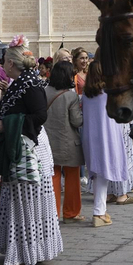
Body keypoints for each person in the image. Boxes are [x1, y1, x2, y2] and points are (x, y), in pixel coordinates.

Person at [0, 45, 62, 265]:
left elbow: (40, 115)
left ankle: (24, 253)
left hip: (29, 148)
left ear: (11, 63)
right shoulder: (21, 83)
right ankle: (25, 250)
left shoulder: (30, 84)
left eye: (4, 61)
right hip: (19, 145)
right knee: (19, 200)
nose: (2, 65)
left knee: (25, 200)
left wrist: (7, 124)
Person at [81, 65, 133, 227]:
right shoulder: (108, 93)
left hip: (91, 135)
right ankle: (99, 212)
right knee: (103, 171)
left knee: (98, 172)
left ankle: (101, 210)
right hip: (108, 135)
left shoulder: (86, 93)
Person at [44, 59, 86, 223]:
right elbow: (76, 121)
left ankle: (53, 213)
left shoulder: (44, 91)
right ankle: (71, 212)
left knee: (53, 178)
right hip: (68, 143)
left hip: (49, 142)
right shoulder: (71, 96)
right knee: (72, 178)